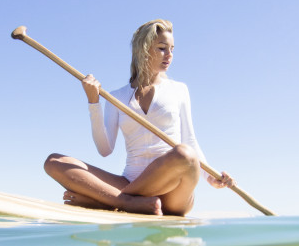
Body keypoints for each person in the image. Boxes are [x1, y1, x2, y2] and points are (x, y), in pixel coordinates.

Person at [44, 19, 235, 216]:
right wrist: (93, 103)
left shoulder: (179, 90)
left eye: (172, 49)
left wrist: (210, 177)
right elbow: (105, 149)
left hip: (173, 192)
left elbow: (190, 140)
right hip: (130, 182)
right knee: (54, 161)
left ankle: (108, 201)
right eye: (162, 48)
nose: (169, 55)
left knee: (185, 154)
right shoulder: (116, 97)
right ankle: (128, 202)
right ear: (143, 50)